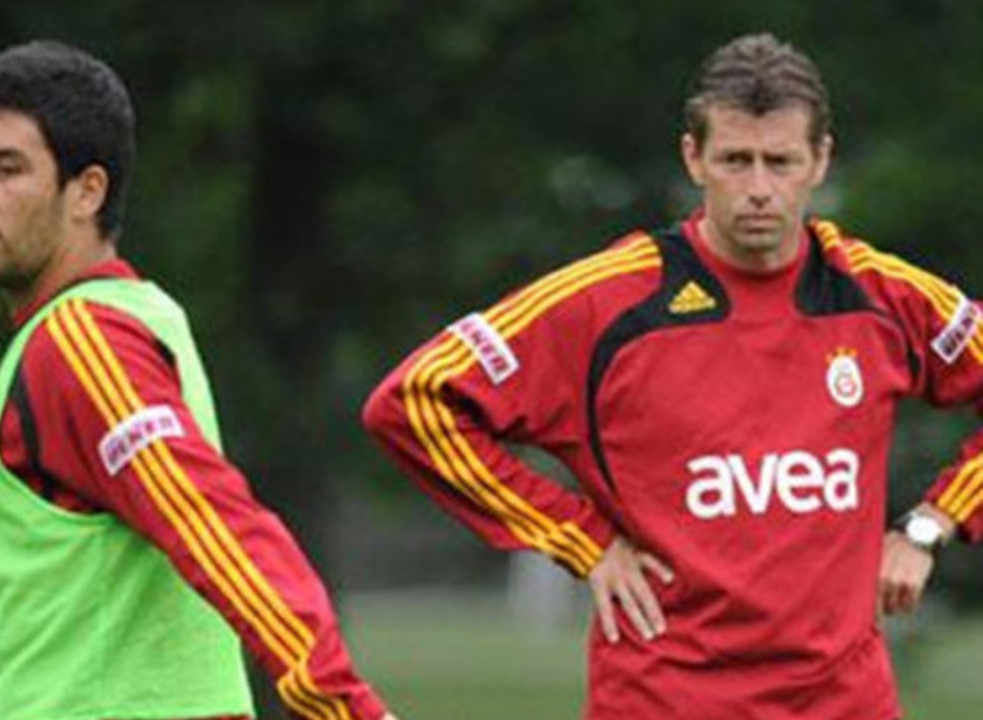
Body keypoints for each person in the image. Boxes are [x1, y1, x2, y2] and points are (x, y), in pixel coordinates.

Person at [0, 40, 397, 720]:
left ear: (87, 191)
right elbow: (60, 589)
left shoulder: (83, 344)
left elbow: (214, 524)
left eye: (5, 168)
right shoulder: (117, 320)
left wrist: (347, 710)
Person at [362, 32, 982, 720]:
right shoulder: (607, 304)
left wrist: (932, 524)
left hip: (845, 703)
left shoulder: (880, 296)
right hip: (665, 699)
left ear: (820, 161)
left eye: (780, 162)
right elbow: (415, 401)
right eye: (734, 160)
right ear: (693, 158)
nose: (758, 189)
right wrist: (580, 539)